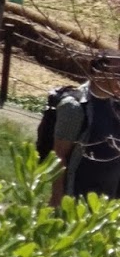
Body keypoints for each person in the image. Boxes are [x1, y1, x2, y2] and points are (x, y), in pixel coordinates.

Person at [51, 54, 120, 205]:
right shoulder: (75, 107)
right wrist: (57, 198)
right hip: (77, 199)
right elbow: (58, 157)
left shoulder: (116, 106)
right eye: (117, 72)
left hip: (108, 205)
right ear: (98, 72)